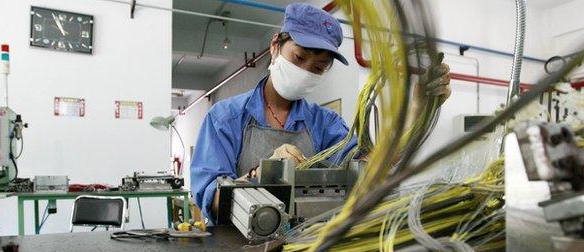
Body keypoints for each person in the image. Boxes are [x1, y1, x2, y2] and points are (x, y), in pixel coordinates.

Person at [191, 3, 451, 225]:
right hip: (239, 249)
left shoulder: (325, 124)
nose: (305, 71)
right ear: (275, 46)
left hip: (305, 245)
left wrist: (417, 110)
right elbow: (210, 198)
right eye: (299, 57)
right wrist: (262, 174)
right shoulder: (225, 118)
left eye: (317, 67)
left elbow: (370, 166)